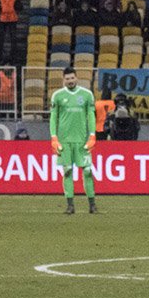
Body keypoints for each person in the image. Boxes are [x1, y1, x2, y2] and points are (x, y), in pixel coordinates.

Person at [49, 66, 98, 214]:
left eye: (72, 78)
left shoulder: (87, 94)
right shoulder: (57, 96)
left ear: (76, 78)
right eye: (67, 79)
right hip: (64, 141)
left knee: (88, 171)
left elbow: (91, 115)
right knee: (68, 171)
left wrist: (92, 135)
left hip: (82, 140)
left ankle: (92, 205)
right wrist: (54, 138)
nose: (70, 81)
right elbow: (53, 117)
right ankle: (70, 205)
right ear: (63, 80)